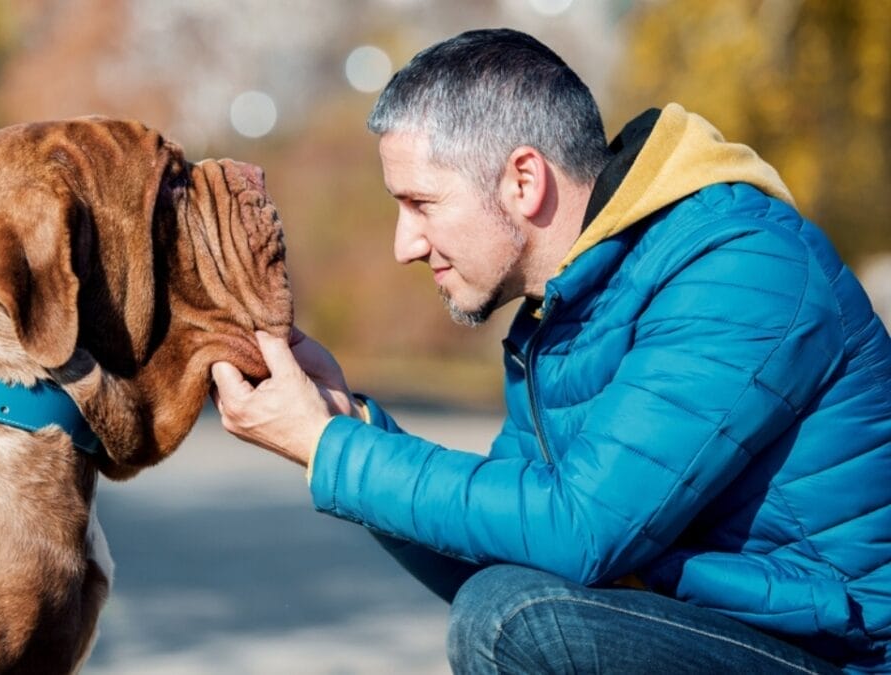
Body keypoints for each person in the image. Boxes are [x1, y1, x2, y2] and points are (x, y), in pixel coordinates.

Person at [210, 28, 891, 674]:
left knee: (518, 621)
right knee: (507, 601)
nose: (404, 245)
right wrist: (345, 424)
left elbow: (578, 529)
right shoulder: (561, 316)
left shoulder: (738, 270)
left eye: (421, 203)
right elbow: (507, 547)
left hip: (838, 655)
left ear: (524, 181)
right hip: (721, 630)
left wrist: (333, 452)